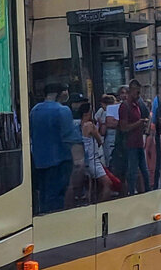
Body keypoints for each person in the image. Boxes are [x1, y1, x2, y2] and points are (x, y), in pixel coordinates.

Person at [29, 83, 84, 213]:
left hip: (40, 160)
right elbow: (70, 136)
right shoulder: (62, 110)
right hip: (60, 159)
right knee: (58, 196)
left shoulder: (34, 110)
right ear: (60, 93)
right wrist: (79, 159)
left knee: (44, 194)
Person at [119, 79, 152, 194]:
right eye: (137, 93)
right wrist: (138, 123)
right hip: (130, 144)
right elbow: (123, 127)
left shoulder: (137, 105)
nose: (139, 95)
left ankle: (147, 191)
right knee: (132, 171)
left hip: (138, 142)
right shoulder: (125, 106)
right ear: (131, 91)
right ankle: (131, 193)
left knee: (144, 170)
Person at [80, 109, 117, 201]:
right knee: (108, 183)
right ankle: (102, 204)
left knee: (91, 186)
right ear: (88, 114)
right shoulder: (90, 126)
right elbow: (99, 140)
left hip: (84, 159)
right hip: (93, 159)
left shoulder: (77, 124)